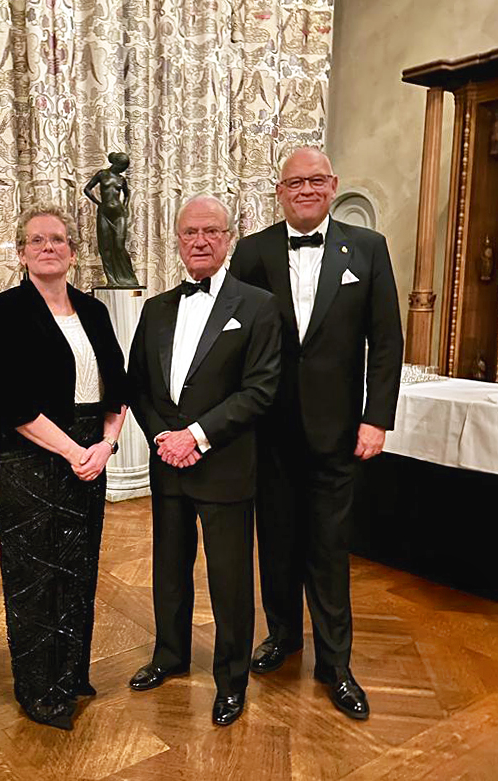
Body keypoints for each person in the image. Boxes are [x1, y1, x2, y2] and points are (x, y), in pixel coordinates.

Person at [230, 147, 403, 720]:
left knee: (328, 550)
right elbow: (235, 339)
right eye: (293, 181)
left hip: (338, 432)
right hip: (269, 430)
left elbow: (386, 340)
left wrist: (376, 417)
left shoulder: (368, 248)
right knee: (275, 543)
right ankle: (283, 637)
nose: (304, 189)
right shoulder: (252, 251)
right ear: (278, 191)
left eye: (315, 180)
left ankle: (335, 664)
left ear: (332, 185)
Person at [127, 195, 281, 727]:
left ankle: (231, 679)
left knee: (229, 580)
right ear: (177, 239)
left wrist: (194, 436)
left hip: (225, 466)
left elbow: (260, 390)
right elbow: (138, 386)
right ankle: (169, 654)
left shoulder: (257, 305)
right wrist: (162, 438)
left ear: (229, 238)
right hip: (168, 465)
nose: (200, 241)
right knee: (169, 571)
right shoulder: (156, 308)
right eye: (190, 232)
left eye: (211, 232)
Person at [0, 203, 128, 731]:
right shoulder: (6, 312)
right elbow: (5, 399)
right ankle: (39, 686)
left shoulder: (94, 311)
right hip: (29, 457)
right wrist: (72, 451)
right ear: (20, 253)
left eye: (58, 239)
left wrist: (106, 446)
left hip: (90, 453)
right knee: (35, 574)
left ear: (72, 252)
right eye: (36, 240)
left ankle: (71, 671)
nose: (48, 247)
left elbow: (118, 388)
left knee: (80, 566)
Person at [83, 151, 139, 287]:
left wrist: (125, 207)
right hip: (104, 214)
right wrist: (98, 203)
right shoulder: (103, 174)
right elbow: (87, 189)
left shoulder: (121, 179)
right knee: (106, 247)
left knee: (119, 245)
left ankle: (128, 278)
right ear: (117, 164)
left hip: (119, 214)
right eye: (123, 166)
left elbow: (127, 194)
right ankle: (112, 279)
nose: (124, 169)